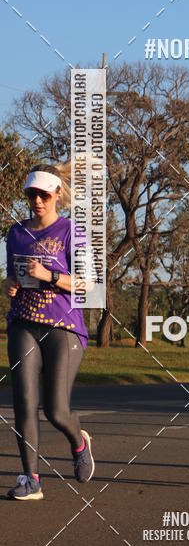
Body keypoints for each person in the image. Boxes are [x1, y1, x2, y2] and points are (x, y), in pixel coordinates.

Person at [3, 164, 94, 500]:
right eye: (32, 194)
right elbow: (11, 274)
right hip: (23, 322)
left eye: (43, 194)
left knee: (56, 411)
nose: (37, 201)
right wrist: (9, 284)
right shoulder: (15, 233)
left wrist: (49, 275)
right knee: (24, 402)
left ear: (57, 194)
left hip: (63, 327)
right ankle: (31, 479)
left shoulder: (72, 231)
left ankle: (78, 441)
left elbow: (88, 284)